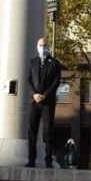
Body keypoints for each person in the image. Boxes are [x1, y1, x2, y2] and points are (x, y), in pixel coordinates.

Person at [26, 36, 62, 168]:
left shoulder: (55, 63)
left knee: (47, 131)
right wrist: (34, 94)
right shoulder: (32, 62)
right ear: (37, 47)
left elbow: (56, 82)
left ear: (48, 47)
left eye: (45, 45)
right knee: (32, 131)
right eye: (41, 45)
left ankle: (48, 160)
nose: (43, 47)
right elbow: (28, 80)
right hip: (34, 102)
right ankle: (31, 160)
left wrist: (45, 95)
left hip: (48, 102)